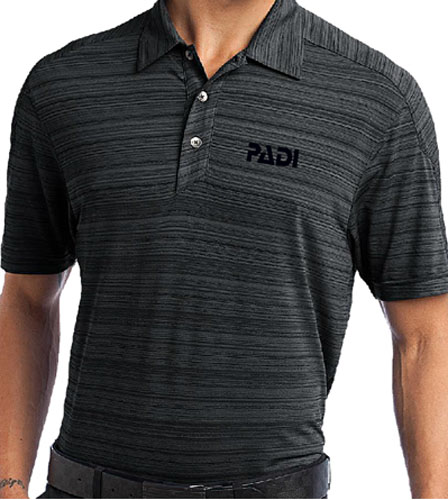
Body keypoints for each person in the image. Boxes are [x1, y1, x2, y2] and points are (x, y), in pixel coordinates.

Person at [1, 0, 448, 498]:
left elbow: (426, 334)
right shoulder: (63, 84)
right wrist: (8, 485)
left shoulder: (377, 98)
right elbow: (27, 299)